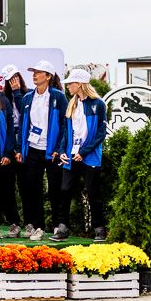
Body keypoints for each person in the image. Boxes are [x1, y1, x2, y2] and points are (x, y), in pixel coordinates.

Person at [52, 69, 107, 241]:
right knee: (64, 190)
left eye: (71, 83)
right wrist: (62, 151)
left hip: (89, 156)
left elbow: (101, 134)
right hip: (71, 155)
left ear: (80, 84)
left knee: (92, 192)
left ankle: (99, 229)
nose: (68, 86)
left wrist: (83, 152)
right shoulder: (71, 104)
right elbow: (66, 132)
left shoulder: (98, 104)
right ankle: (63, 227)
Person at [17, 60, 67, 241]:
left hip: (52, 151)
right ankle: (38, 226)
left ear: (48, 76)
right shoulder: (27, 98)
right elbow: (23, 124)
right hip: (32, 149)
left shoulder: (58, 97)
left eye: (38, 72)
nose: (34, 75)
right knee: (32, 188)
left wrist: (59, 148)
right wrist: (20, 148)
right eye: (33, 72)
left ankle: (58, 226)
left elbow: (65, 125)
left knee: (55, 189)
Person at [0, 65, 26, 238]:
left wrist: (17, 92)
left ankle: (17, 222)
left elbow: (24, 114)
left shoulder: (27, 95)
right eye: (10, 79)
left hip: (17, 147)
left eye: (16, 77)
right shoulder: (1, 98)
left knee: (11, 188)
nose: (14, 81)